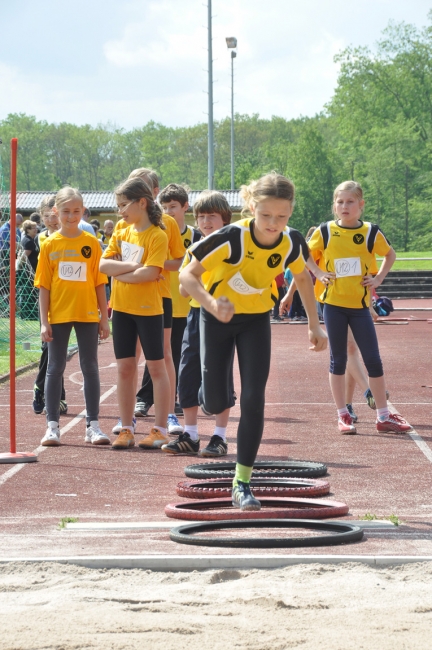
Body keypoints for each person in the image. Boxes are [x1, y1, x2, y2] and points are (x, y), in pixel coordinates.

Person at [180, 172, 327, 511]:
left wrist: (314, 326)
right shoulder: (231, 238)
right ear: (250, 208)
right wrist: (211, 303)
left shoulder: (291, 241)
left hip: (256, 320)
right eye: (266, 216)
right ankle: (209, 393)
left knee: (253, 398)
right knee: (216, 402)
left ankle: (242, 481)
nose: (274, 224)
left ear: (290, 213)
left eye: (282, 216)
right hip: (217, 317)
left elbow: (303, 278)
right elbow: (187, 274)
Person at [307, 180, 412, 435]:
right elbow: (304, 254)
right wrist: (319, 272)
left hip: (360, 306)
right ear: (334, 206)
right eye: (340, 202)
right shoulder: (325, 231)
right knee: (339, 359)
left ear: (360, 205)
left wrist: (378, 279)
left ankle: (383, 416)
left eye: (350, 202)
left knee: (374, 360)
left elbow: (390, 255)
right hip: (333, 305)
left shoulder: (370, 233)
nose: (344, 206)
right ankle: (343, 414)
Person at [34, 187, 110, 446]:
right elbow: (44, 287)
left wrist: (104, 317)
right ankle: (52, 426)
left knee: (90, 366)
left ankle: (93, 426)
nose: (71, 216)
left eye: (76, 211)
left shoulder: (91, 243)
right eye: (66, 211)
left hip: (87, 313)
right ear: (56, 212)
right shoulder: (49, 244)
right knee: (55, 367)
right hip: (59, 315)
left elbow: (100, 282)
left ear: (83, 211)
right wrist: (44, 321)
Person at [100, 177, 171, 450]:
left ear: (142, 202)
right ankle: (126, 428)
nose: (120, 212)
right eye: (117, 206)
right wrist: (132, 267)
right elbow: (103, 266)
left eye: (123, 205)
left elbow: (151, 273)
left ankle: (160, 428)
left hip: (150, 311)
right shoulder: (120, 231)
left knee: (156, 367)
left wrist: (123, 272)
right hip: (122, 310)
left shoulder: (157, 235)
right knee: (125, 368)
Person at [162, 190, 234, 456]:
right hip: (195, 316)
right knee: (188, 370)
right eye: (201, 217)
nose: (206, 222)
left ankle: (220, 436)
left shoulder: (231, 247)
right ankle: (190, 434)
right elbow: (182, 290)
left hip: (221, 317)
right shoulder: (193, 248)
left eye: (212, 216)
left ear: (224, 219)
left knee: (220, 374)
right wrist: (192, 281)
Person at [124, 169, 185, 437]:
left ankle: (169, 413)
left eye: (144, 189)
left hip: (160, 295)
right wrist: (137, 268)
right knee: (130, 358)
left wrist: (153, 264)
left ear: (153, 194)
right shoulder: (124, 226)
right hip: (129, 297)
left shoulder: (167, 224)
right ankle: (129, 419)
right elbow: (109, 262)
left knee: (163, 355)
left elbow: (178, 260)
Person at [148, 183, 201, 415]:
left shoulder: (196, 236)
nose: (169, 211)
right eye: (165, 207)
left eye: (173, 207)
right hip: (160, 300)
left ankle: (185, 396)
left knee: (184, 355)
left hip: (188, 304)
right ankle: (146, 397)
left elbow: (182, 264)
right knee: (158, 354)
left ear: (185, 207)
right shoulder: (156, 232)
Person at [32, 196, 68, 415]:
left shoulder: (74, 235)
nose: (52, 221)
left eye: (54, 216)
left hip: (69, 298)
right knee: (50, 347)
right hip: (49, 297)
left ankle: (57, 396)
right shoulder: (43, 239)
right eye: (47, 217)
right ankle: (41, 386)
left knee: (59, 351)